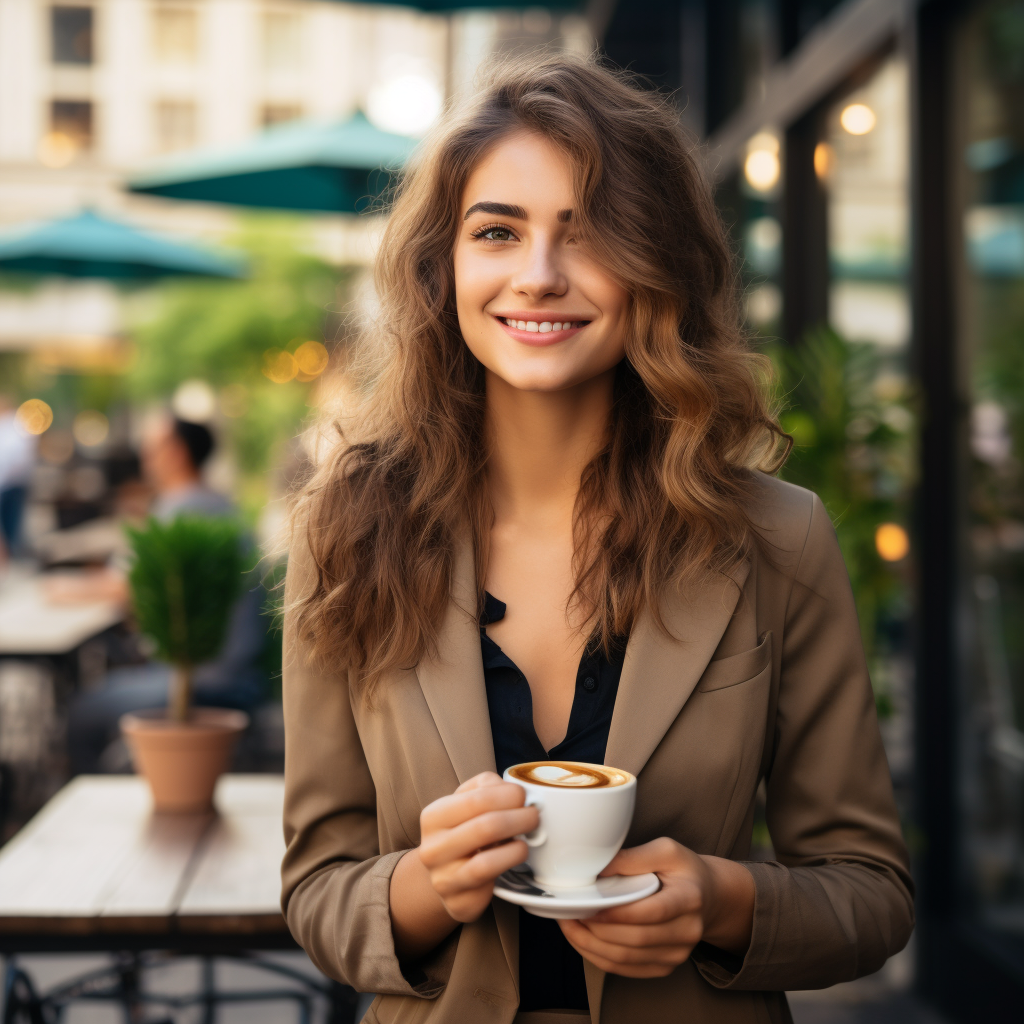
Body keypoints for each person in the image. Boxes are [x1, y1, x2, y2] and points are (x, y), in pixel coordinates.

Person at [281, 54, 913, 1024]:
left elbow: (871, 892)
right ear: (442, 266)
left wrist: (724, 900)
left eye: (588, 236)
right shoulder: (346, 528)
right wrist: (424, 886)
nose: (538, 276)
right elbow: (317, 890)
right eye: (497, 231)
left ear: (655, 267)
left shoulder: (776, 537)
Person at [67, 414, 267, 773]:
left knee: (84, 711)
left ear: (176, 452)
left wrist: (64, 589)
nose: (144, 456)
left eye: (151, 446)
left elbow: (128, 586)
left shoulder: (180, 510)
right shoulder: (221, 505)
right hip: (239, 674)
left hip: (201, 682)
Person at [0, 394, 36, 562]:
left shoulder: (15, 425)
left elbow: (17, 457)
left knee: (11, 521)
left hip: (11, 483)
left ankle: (11, 554)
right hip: (11, 481)